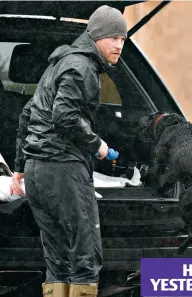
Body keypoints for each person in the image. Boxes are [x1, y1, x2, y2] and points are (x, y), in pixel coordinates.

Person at [9, 5, 127, 297]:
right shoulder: (82, 66)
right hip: (64, 170)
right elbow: (65, 116)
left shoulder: (59, 64)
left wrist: (22, 166)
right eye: (114, 37)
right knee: (85, 256)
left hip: (38, 173)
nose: (119, 45)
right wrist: (98, 145)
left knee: (58, 259)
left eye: (123, 39)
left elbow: (27, 114)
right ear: (98, 36)